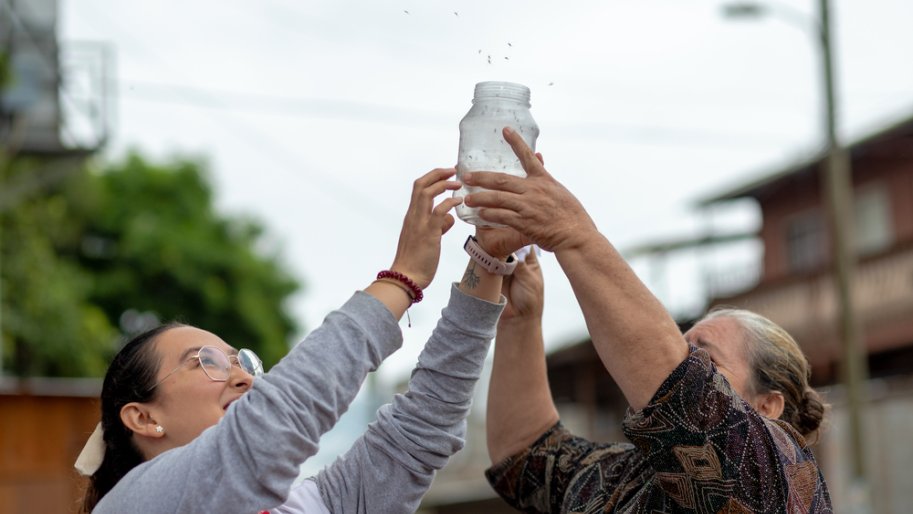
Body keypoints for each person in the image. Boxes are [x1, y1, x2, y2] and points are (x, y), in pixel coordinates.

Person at [77, 168, 521, 513]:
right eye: (205, 361)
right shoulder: (136, 504)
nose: (242, 378)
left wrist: (488, 257)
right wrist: (401, 279)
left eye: (242, 362)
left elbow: (420, 430)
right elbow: (266, 430)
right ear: (142, 417)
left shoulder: (306, 506)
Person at [465, 128, 833, 512]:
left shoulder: (775, 475)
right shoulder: (629, 478)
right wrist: (520, 319)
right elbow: (525, 458)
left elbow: (679, 388)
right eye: (682, 349)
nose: (684, 361)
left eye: (704, 359)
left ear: (767, 407)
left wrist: (572, 233)